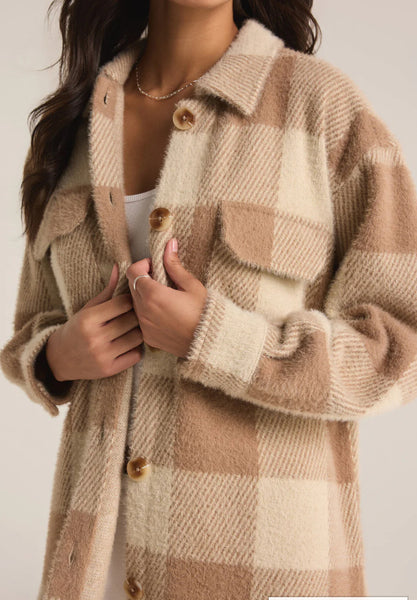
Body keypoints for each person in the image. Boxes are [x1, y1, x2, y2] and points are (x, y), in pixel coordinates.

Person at [2, 0, 417, 598]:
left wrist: (219, 339)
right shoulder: (74, 123)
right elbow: (30, 327)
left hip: (263, 568)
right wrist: (57, 356)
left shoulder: (321, 107)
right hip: (92, 567)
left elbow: (399, 345)